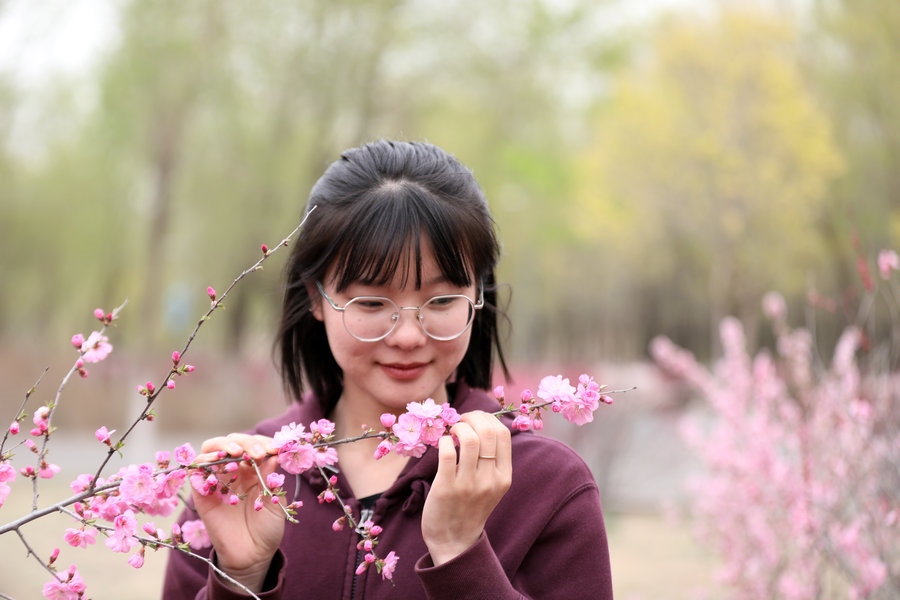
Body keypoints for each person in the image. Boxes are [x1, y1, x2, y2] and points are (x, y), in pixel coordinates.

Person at [161, 140, 613, 599]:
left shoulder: (546, 486)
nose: (408, 336)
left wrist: (461, 554)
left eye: (441, 300)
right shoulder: (242, 483)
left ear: (477, 295)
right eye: (372, 302)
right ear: (317, 297)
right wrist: (240, 578)